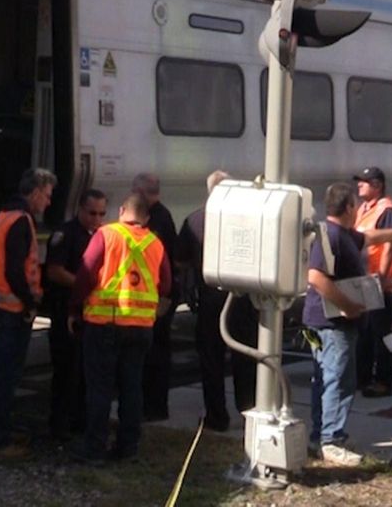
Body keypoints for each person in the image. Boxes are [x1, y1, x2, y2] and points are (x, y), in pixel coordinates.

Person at [303, 183, 392, 466]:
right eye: (356, 205)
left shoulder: (344, 235)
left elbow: (369, 237)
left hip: (324, 322)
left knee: (325, 378)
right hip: (331, 324)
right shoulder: (331, 236)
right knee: (337, 380)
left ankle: (321, 436)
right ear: (349, 207)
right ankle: (330, 439)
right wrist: (348, 305)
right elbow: (315, 277)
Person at [68, 193, 172, 461]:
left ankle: (94, 449)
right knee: (132, 388)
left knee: (100, 389)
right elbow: (166, 285)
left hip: (105, 324)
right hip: (141, 328)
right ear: (146, 218)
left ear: (122, 210)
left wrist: (74, 309)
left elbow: (85, 274)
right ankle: (128, 448)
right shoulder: (156, 243)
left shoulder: (106, 235)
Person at [175, 170, 257, 432]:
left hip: (210, 299)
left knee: (211, 360)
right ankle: (249, 414)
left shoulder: (195, 220)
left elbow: (180, 260)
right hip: (243, 298)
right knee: (245, 357)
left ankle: (217, 417)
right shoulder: (248, 218)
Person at [0, 167, 56, 450]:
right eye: (46, 195)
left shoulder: (5, 215)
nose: (48, 202)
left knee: (1, 373)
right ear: (35, 193)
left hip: (2, 306)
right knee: (6, 375)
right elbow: (15, 271)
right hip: (13, 311)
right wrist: (30, 302)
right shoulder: (21, 221)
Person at [43, 188, 107, 439]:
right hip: (65, 309)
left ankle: (81, 422)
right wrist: (85, 286)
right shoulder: (66, 234)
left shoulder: (102, 235)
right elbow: (55, 271)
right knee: (66, 371)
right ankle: (59, 425)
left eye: (101, 213)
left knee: (86, 372)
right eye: (92, 213)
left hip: (90, 312)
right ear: (80, 209)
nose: (96, 218)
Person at [353, 167, 392, 398]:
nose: (359, 185)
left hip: (378, 282)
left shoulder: (386, 210)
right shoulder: (365, 209)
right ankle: (363, 377)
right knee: (365, 333)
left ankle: (384, 380)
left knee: (383, 334)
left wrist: (382, 278)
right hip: (365, 281)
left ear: (377, 185)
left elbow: (390, 244)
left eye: (364, 182)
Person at [132, 172, 177, 422]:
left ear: (141, 192)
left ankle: (155, 406)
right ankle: (153, 406)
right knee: (154, 352)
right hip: (156, 295)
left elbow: (162, 265)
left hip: (156, 297)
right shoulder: (163, 216)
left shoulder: (157, 220)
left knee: (155, 353)